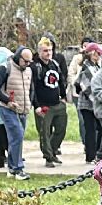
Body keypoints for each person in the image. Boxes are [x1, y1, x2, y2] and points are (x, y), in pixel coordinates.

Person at [0, 46, 33, 181]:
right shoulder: (5, 68)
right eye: (25, 61)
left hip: (23, 109)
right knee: (17, 135)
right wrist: (7, 100)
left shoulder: (29, 71)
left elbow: (30, 88)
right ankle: (18, 168)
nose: (27, 64)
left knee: (16, 139)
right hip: (8, 108)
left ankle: (11, 167)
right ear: (18, 57)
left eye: (29, 62)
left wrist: (31, 102)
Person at [32, 35, 70, 167]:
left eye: (50, 50)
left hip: (57, 103)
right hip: (43, 106)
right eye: (45, 51)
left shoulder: (55, 64)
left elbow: (61, 81)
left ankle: (53, 151)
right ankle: (48, 157)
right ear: (39, 51)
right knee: (44, 132)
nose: (48, 53)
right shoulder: (35, 67)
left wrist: (64, 97)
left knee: (61, 129)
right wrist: (36, 106)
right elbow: (33, 88)